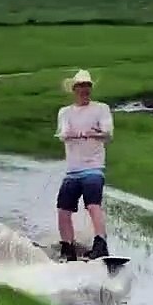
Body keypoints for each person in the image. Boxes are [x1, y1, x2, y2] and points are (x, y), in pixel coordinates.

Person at [54, 69, 114, 261]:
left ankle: (100, 244)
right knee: (63, 209)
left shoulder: (101, 108)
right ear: (74, 89)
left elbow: (108, 133)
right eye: (81, 86)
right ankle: (67, 246)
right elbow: (63, 134)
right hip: (72, 171)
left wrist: (94, 133)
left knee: (93, 205)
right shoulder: (65, 112)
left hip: (93, 168)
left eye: (87, 86)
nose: (85, 90)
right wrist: (80, 134)